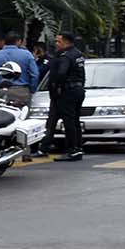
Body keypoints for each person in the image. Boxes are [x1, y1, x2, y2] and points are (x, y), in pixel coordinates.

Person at [43, 31, 87, 160]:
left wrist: (57, 86)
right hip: (78, 90)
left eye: (59, 41)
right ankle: (77, 148)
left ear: (67, 42)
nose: (56, 44)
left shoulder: (66, 56)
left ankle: (72, 150)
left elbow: (61, 73)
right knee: (74, 121)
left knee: (69, 122)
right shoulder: (78, 54)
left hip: (68, 92)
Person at [0, 32, 40, 108]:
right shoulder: (27, 55)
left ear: (4, 41)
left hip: (2, 92)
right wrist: (32, 90)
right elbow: (35, 74)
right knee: (23, 116)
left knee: (4, 115)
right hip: (22, 91)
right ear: (18, 41)